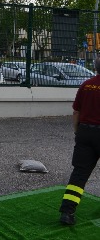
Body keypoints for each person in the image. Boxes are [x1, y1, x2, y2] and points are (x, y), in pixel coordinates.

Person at [59, 56, 100, 225]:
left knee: (79, 175)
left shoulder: (86, 85)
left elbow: (76, 111)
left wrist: (78, 132)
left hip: (85, 132)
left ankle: (67, 212)